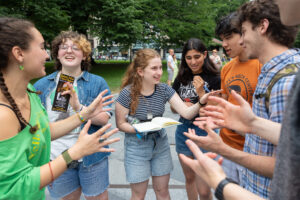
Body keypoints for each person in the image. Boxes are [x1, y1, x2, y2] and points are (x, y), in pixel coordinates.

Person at [186, 0, 300, 198]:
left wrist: (220, 174)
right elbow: (289, 139)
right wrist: (252, 124)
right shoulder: (270, 72)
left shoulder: (286, 80)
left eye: (244, 31)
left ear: (262, 27)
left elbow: (287, 165)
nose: (241, 40)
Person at [0, 17, 120, 200]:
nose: (46, 55)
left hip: (88, 161)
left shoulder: (30, 91)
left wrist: (81, 113)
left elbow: (42, 130)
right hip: (56, 158)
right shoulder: (9, 110)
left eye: (76, 48)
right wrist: (72, 153)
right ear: (18, 53)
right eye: (42, 47)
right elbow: (15, 186)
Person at [115, 48, 218, 200]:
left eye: (160, 68)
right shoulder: (126, 93)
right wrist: (140, 128)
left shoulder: (164, 89)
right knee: (138, 195)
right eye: (154, 68)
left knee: (163, 192)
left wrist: (201, 101)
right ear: (141, 71)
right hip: (137, 146)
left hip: (160, 144)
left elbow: (186, 113)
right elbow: (120, 124)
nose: (159, 72)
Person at [34, 31, 113, 200]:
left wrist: (78, 107)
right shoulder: (41, 85)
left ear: (84, 55)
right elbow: (38, 125)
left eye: (75, 48)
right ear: (57, 54)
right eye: (64, 47)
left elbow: (103, 119)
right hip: (57, 157)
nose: (69, 51)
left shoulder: (97, 83)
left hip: (92, 156)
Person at [213, 12, 262, 184]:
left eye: (228, 38)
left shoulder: (262, 65)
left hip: (254, 151)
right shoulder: (226, 69)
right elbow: (225, 105)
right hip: (226, 146)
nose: (224, 44)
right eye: (221, 39)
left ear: (244, 34)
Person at [171, 38, 220, 200]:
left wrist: (200, 93)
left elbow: (213, 112)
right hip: (183, 130)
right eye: (188, 57)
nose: (193, 62)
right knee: (190, 178)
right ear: (184, 58)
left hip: (205, 130)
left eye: (197, 57)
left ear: (205, 55)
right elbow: (173, 107)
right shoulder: (181, 78)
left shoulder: (214, 78)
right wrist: (183, 106)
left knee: (205, 189)